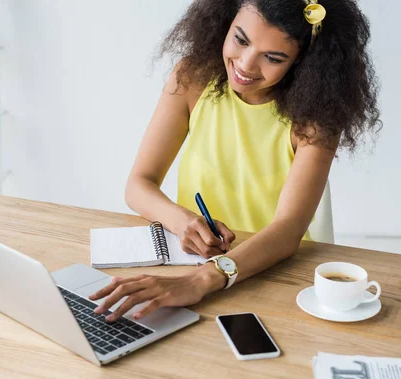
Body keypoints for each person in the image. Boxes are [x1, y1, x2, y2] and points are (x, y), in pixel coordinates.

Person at [90, 0, 381, 322]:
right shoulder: (193, 78)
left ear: (303, 62)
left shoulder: (315, 118)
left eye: (273, 58)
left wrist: (203, 280)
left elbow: (288, 231)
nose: (245, 65)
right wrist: (183, 222)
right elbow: (138, 185)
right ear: (224, 23)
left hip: (273, 269)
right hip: (191, 262)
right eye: (241, 40)